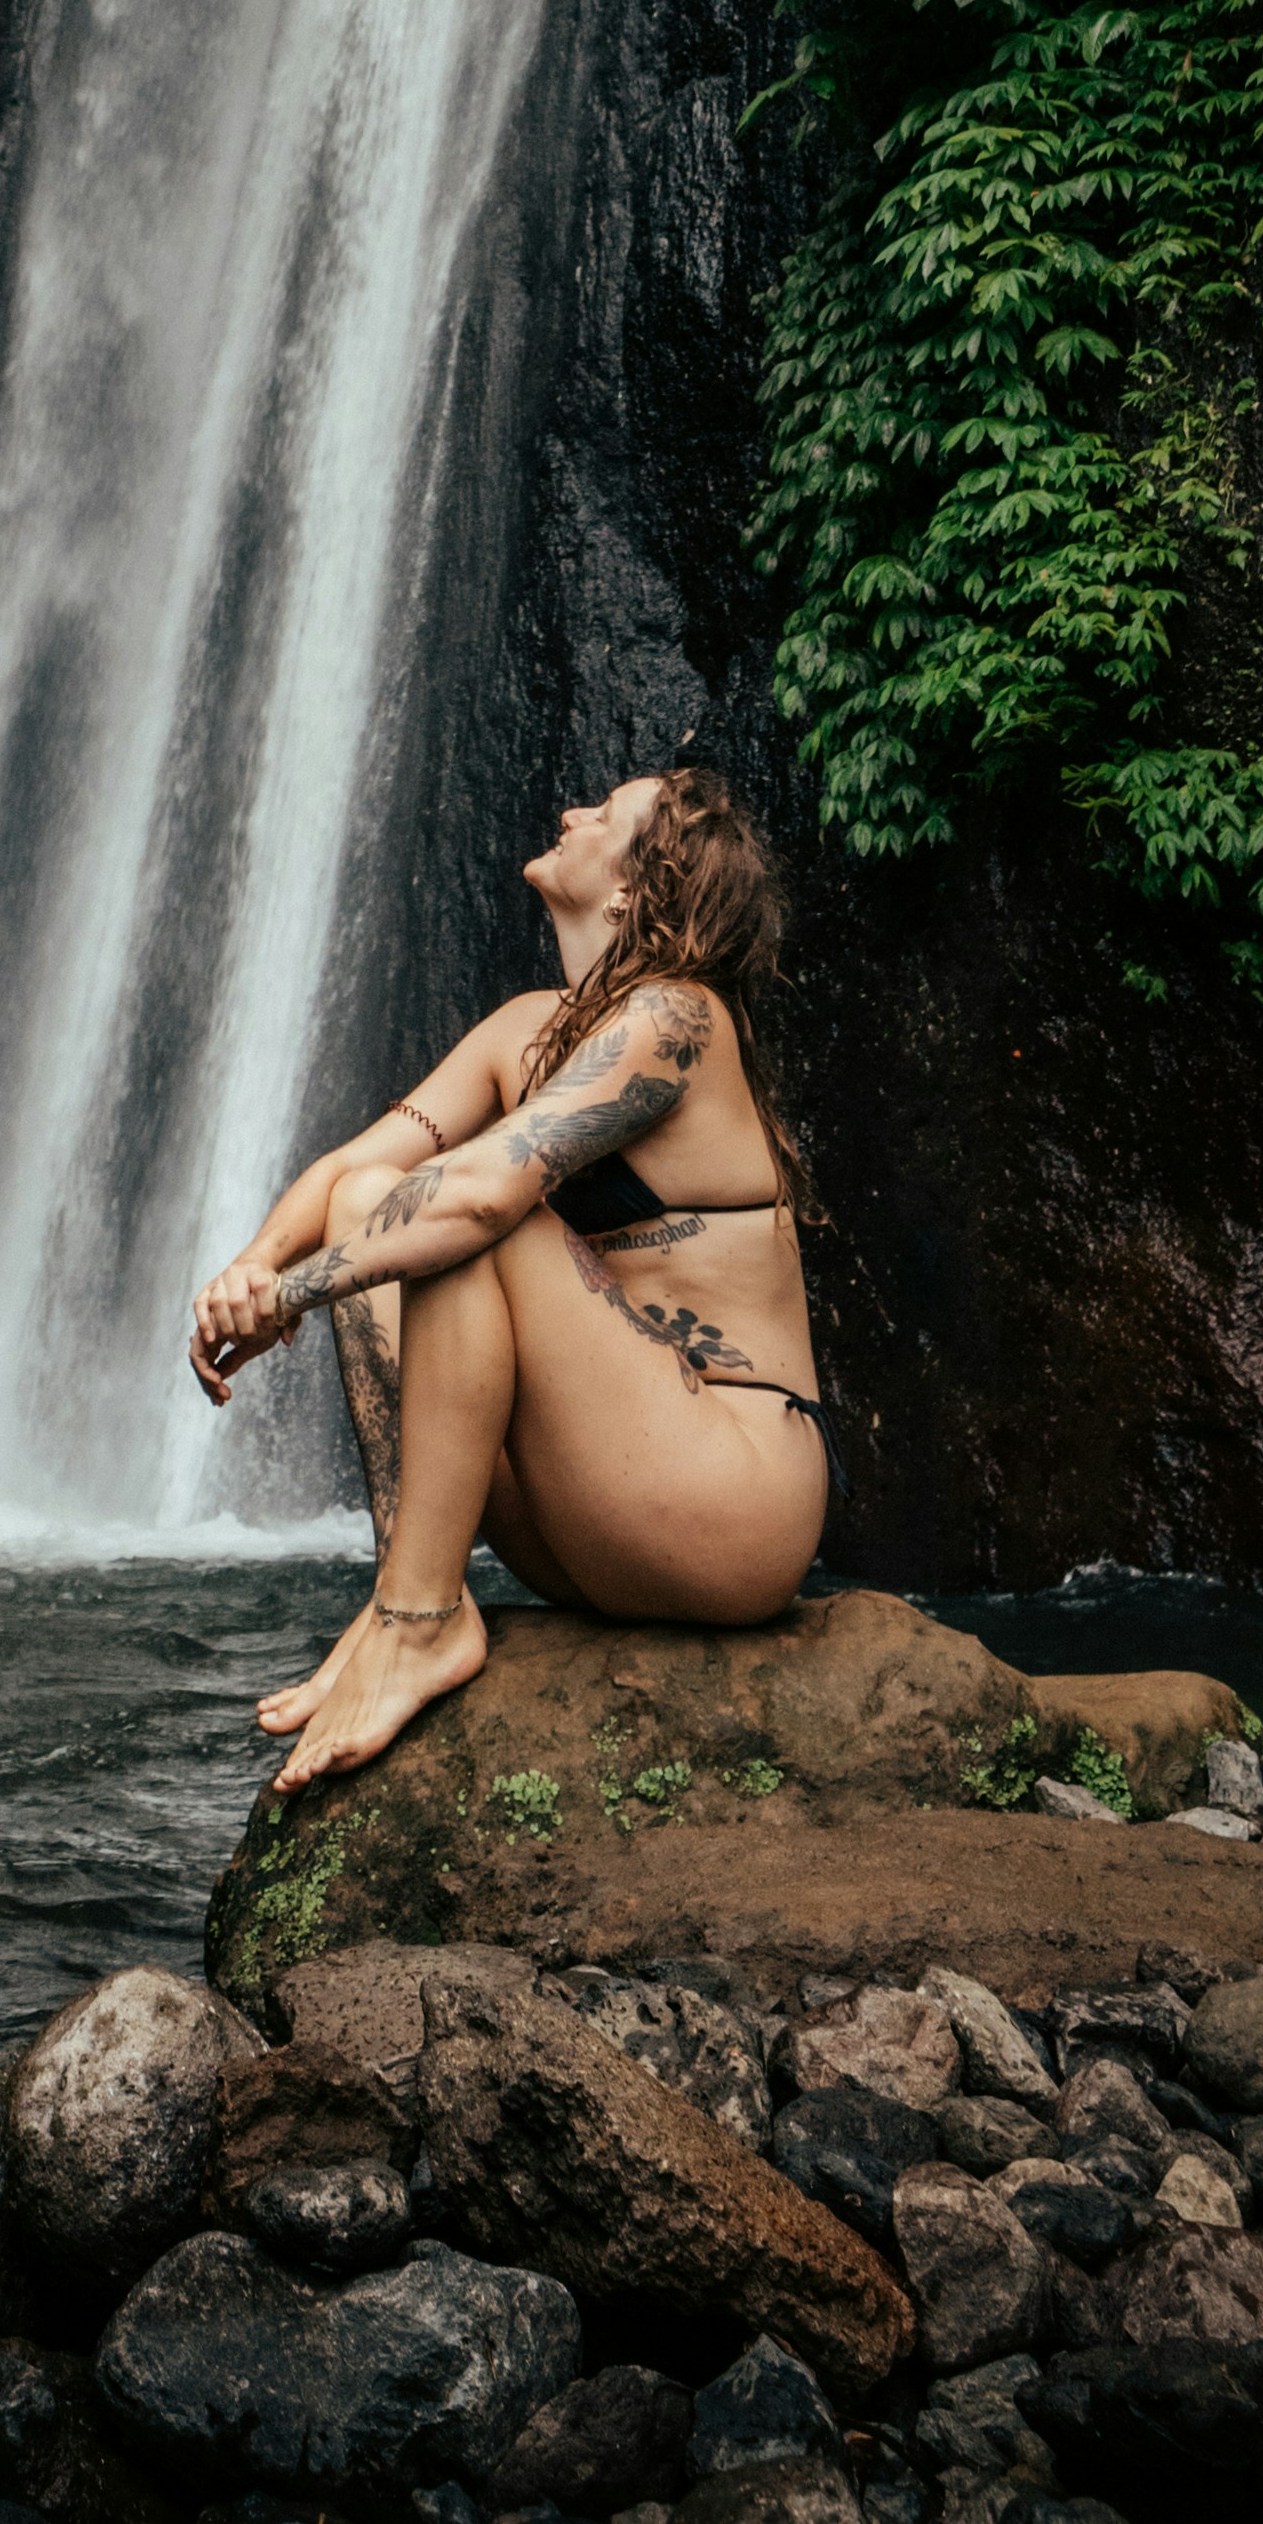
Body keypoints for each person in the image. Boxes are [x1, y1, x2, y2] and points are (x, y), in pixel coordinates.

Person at [186, 758, 831, 1790]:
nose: (569, 811)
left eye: (603, 813)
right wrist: (253, 1265)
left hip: (730, 1499)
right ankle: (412, 1596)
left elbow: (482, 1196)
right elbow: (356, 1171)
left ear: (633, 885)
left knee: (470, 1212)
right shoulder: (525, 1027)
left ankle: (415, 1619)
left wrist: (293, 1298)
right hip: (593, 1506)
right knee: (374, 1202)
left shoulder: (678, 1019)